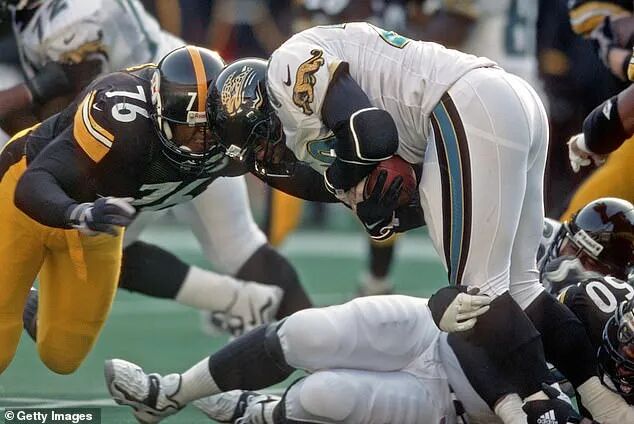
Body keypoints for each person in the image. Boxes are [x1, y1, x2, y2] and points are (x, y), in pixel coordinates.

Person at [206, 23, 616, 416]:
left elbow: (374, 133)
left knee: (476, 298)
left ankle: (541, 409)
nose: (267, 155)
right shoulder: (307, 118)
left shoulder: (286, 67)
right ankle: (605, 403)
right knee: (522, 289)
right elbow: (419, 189)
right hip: (499, 102)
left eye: (259, 141)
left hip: (464, 105)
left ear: (258, 108)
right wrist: (379, 210)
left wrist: (341, 182)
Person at [0, 0, 313, 338]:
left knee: (98, 235)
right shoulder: (42, 15)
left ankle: (290, 326)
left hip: (156, 128)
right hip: (187, 111)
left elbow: (71, 90)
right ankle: (275, 318)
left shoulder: (71, 18)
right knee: (237, 245)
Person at [104, 289, 590, 424]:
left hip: (448, 405)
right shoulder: (574, 313)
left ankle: (256, 413)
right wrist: (511, 402)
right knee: (309, 333)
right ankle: (169, 393)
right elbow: (484, 312)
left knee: (327, 395)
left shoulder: (606, 400)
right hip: (434, 333)